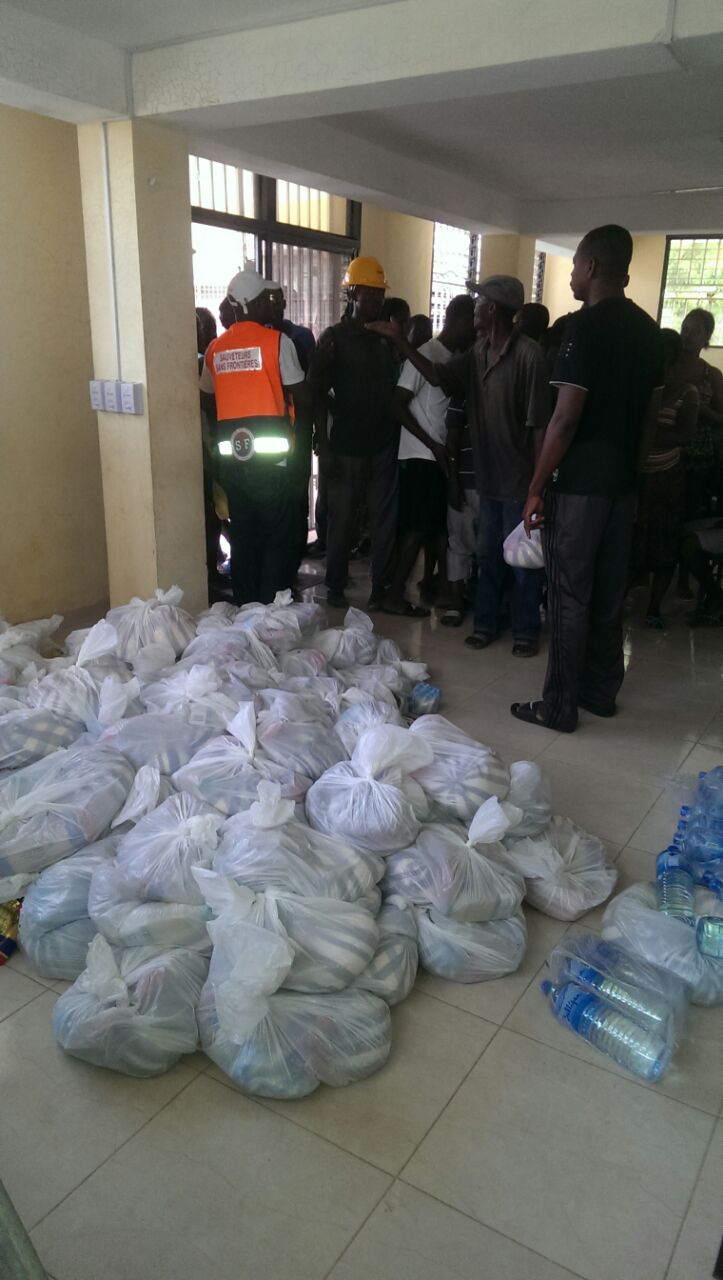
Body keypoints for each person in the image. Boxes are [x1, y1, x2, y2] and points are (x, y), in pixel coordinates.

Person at [509, 224, 664, 732]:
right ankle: (600, 693)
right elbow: (650, 415)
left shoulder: (583, 328)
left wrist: (536, 485)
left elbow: (565, 418)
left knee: (568, 595)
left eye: (575, 265)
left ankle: (557, 708)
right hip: (622, 484)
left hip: (579, 487)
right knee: (607, 594)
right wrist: (634, 474)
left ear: (593, 267)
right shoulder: (647, 330)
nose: (573, 274)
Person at [370, 275, 549, 656]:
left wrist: (538, 485)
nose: (476, 307)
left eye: (480, 301)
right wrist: (401, 341)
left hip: (519, 479)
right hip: (486, 479)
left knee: (522, 561)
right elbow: (437, 376)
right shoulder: (477, 353)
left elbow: (539, 427)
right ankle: (486, 624)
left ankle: (525, 630)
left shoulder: (530, 356)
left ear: (493, 309)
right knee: (487, 556)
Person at [200, 269, 307, 605]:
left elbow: (205, 395)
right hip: (272, 465)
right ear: (254, 303)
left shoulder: (216, 349)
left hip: (233, 464)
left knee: (244, 539)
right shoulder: (277, 343)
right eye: (265, 298)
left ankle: (246, 611)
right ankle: (272, 615)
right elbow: (301, 396)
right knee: (277, 540)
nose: (269, 303)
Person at [309, 255, 400, 610]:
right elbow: (317, 395)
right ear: (353, 294)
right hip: (345, 446)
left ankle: (381, 589)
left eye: (379, 294)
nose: (376, 300)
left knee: (383, 523)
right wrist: (324, 445)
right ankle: (334, 586)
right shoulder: (333, 339)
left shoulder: (385, 339)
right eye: (369, 293)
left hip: (382, 444)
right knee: (342, 521)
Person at [383, 295, 475, 617]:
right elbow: (396, 404)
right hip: (420, 456)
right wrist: (430, 443)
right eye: (472, 322)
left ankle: (444, 590)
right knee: (416, 529)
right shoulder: (424, 355)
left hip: (439, 456)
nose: (475, 329)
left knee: (437, 528)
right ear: (458, 320)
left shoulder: (457, 357)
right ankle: (395, 594)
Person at [632, 328, 698, 628]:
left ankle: (654, 608)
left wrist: (647, 432)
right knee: (633, 539)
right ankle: (626, 597)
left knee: (664, 541)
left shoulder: (688, 393)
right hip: (637, 474)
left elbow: (684, 435)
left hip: (668, 476)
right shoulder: (641, 386)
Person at [268, 288, 317, 570]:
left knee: (297, 493)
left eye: (277, 300)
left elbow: (310, 386)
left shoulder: (299, 337)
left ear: (285, 303)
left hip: (296, 427)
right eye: (268, 300)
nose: (273, 306)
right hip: (266, 430)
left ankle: (294, 556)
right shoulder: (257, 339)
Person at [442, 396, 479, 626]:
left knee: (493, 551)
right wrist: (453, 482)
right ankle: (456, 605)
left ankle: (485, 606)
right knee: (458, 545)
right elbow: (452, 439)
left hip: (501, 483)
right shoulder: (463, 392)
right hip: (467, 481)